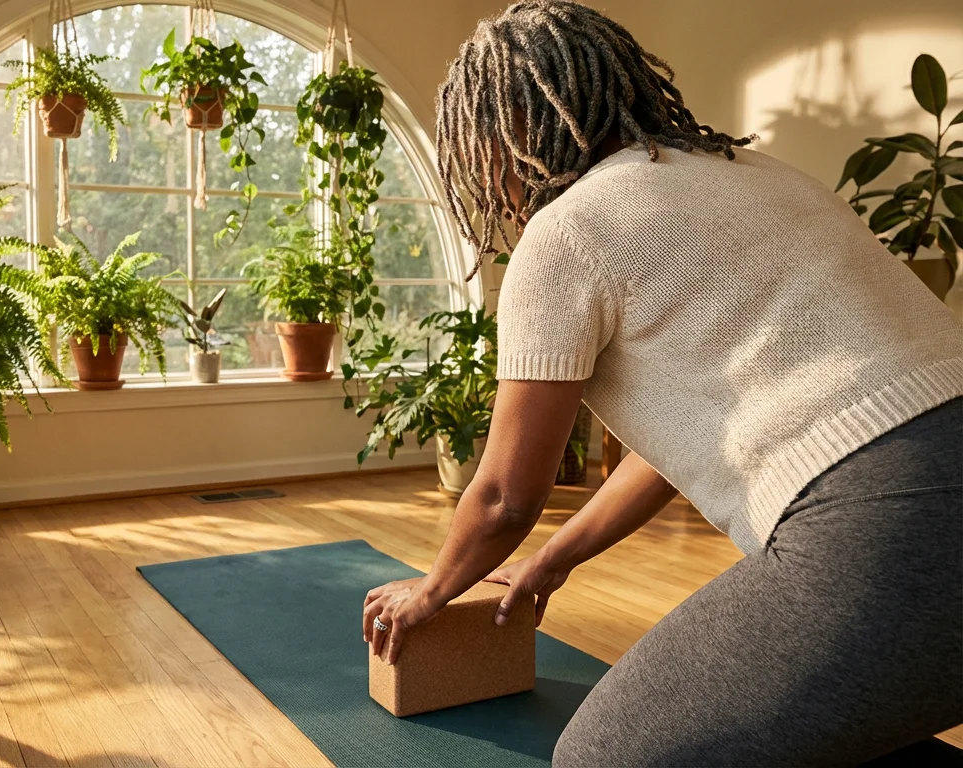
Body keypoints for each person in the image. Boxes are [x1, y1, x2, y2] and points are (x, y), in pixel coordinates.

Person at [360, 2, 963, 764]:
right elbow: (674, 448)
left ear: (504, 136)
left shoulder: (568, 231)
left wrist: (431, 590)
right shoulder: (759, 173)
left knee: (600, 759)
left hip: (882, 522)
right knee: (831, 720)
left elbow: (507, 495)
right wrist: (554, 560)